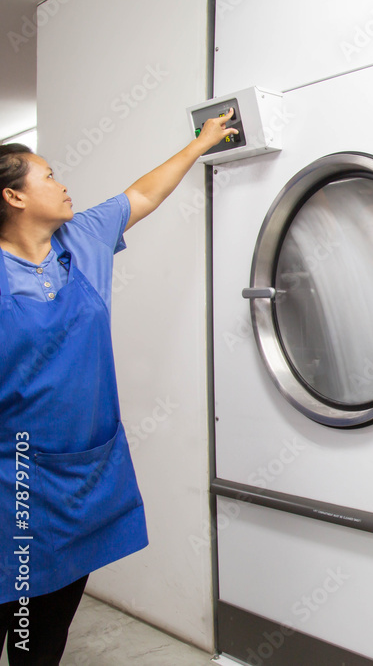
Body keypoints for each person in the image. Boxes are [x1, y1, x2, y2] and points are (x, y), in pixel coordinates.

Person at [0, 110, 238, 664]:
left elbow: (143, 195)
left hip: (86, 474)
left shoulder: (81, 239)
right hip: (15, 478)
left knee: (46, 629)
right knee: (17, 614)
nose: (63, 185)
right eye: (49, 175)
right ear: (13, 197)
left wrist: (200, 144)